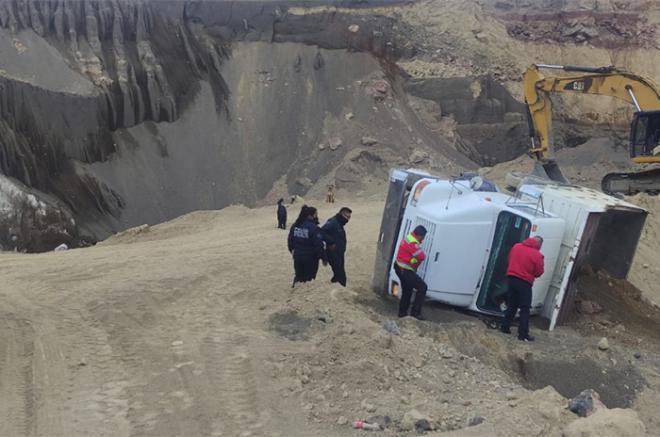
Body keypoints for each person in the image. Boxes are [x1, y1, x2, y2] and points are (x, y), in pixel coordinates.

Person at [500, 236, 545, 342]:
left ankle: (504, 327)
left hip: (511, 278)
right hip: (524, 282)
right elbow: (539, 272)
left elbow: (509, 259)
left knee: (512, 304)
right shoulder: (538, 255)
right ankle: (523, 334)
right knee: (525, 308)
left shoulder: (516, 246)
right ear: (539, 244)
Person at [394, 225, 428, 320]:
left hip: (399, 267)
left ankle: (402, 313)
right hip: (405, 269)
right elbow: (422, 256)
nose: (423, 240)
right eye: (423, 238)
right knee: (422, 287)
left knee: (407, 290)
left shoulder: (409, 237)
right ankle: (415, 313)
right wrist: (414, 261)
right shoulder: (413, 243)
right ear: (419, 236)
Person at [287, 205, 326, 287]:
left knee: (299, 277)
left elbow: (290, 240)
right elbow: (318, 245)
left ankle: (294, 294)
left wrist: (293, 251)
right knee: (309, 280)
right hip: (310, 258)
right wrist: (323, 258)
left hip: (298, 257)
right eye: (315, 214)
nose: (317, 216)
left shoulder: (296, 225)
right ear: (310, 215)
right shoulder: (313, 228)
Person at [321, 207, 352, 287]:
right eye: (347, 217)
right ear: (342, 214)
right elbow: (321, 232)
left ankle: (335, 282)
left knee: (338, 272)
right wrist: (331, 242)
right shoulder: (333, 222)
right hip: (333, 252)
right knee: (341, 275)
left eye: (349, 217)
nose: (348, 220)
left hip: (339, 252)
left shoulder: (339, 223)